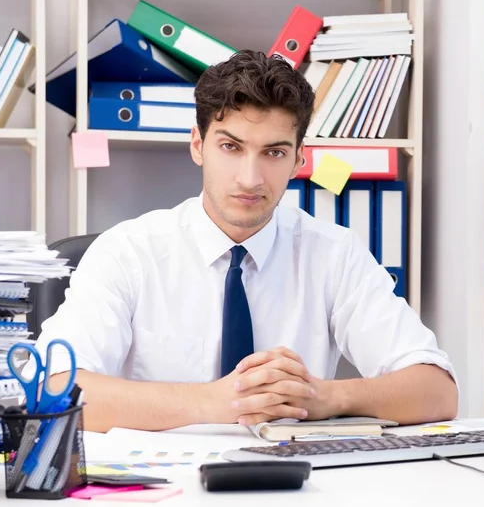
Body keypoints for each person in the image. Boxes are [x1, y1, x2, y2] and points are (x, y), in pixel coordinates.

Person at [33, 50, 458, 433]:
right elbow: (51, 390)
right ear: (198, 145)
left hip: (297, 478)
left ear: (298, 159)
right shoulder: (128, 251)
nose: (250, 179)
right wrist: (215, 401)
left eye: (273, 153)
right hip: (161, 485)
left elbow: (437, 391)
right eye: (231, 147)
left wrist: (326, 398)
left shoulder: (334, 253)